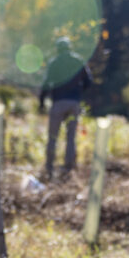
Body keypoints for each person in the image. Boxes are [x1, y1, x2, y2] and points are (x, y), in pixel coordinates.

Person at [38, 37, 93, 180]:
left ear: (58, 48)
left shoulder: (54, 63)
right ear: (69, 47)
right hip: (73, 103)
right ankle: (68, 168)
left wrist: (42, 102)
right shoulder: (78, 61)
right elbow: (89, 81)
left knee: (52, 137)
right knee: (71, 137)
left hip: (58, 102)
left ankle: (49, 168)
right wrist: (78, 93)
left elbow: (45, 84)